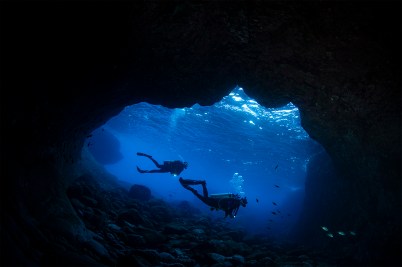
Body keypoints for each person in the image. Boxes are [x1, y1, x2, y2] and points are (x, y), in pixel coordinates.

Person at [179, 177, 247, 218]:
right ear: (242, 201)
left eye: (244, 204)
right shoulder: (235, 200)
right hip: (214, 202)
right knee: (204, 198)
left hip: (214, 203)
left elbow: (229, 209)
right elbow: (224, 201)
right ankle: (202, 184)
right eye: (244, 203)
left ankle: (195, 188)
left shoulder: (236, 204)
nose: (243, 205)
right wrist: (222, 208)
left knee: (203, 198)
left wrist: (229, 214)